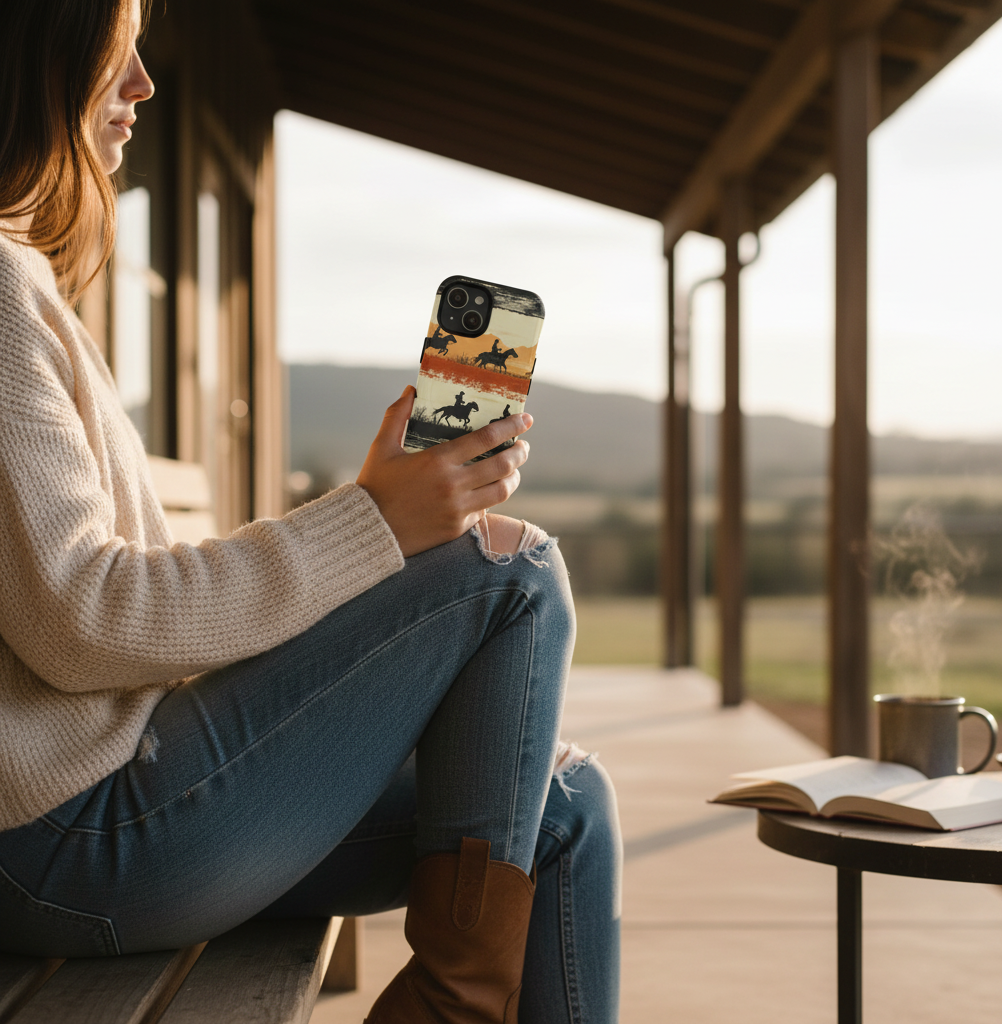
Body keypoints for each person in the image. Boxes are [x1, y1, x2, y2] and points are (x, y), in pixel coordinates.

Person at [0, 3, 622, 1023]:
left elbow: (102, 591)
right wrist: (375, 522)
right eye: (119, 52)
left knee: (568, 806)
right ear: (36, 58)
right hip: (72, 837)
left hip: (94, 813)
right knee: (509, 570)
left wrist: (372, 516)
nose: (145, 84)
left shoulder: (19, 282)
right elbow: (83, 618)